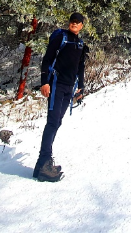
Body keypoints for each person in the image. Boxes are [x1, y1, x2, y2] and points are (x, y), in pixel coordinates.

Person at [34, 12, 89, 182]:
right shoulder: (61, 38)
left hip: (68, 88)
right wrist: (45, 82)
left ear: (81, 26)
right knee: (52, 122)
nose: (75, 23)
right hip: (56, 85)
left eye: (78, 22)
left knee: (57, 122)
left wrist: (81, 87)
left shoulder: (80, 44)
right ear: (69, 23)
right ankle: (44, 163)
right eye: (73, 21)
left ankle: (41, 165)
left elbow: (80, 67)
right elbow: (47, 59)